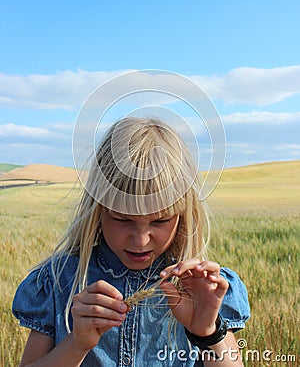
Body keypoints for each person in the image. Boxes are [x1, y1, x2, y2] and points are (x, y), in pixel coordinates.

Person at [12, 117, 250, 367]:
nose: (140, 240)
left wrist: (208, 333)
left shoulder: (205, 290)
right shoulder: (59, 282)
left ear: (184, 213)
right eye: (122, 219)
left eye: (160, 221)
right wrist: (77, 344)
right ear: (97, 210)